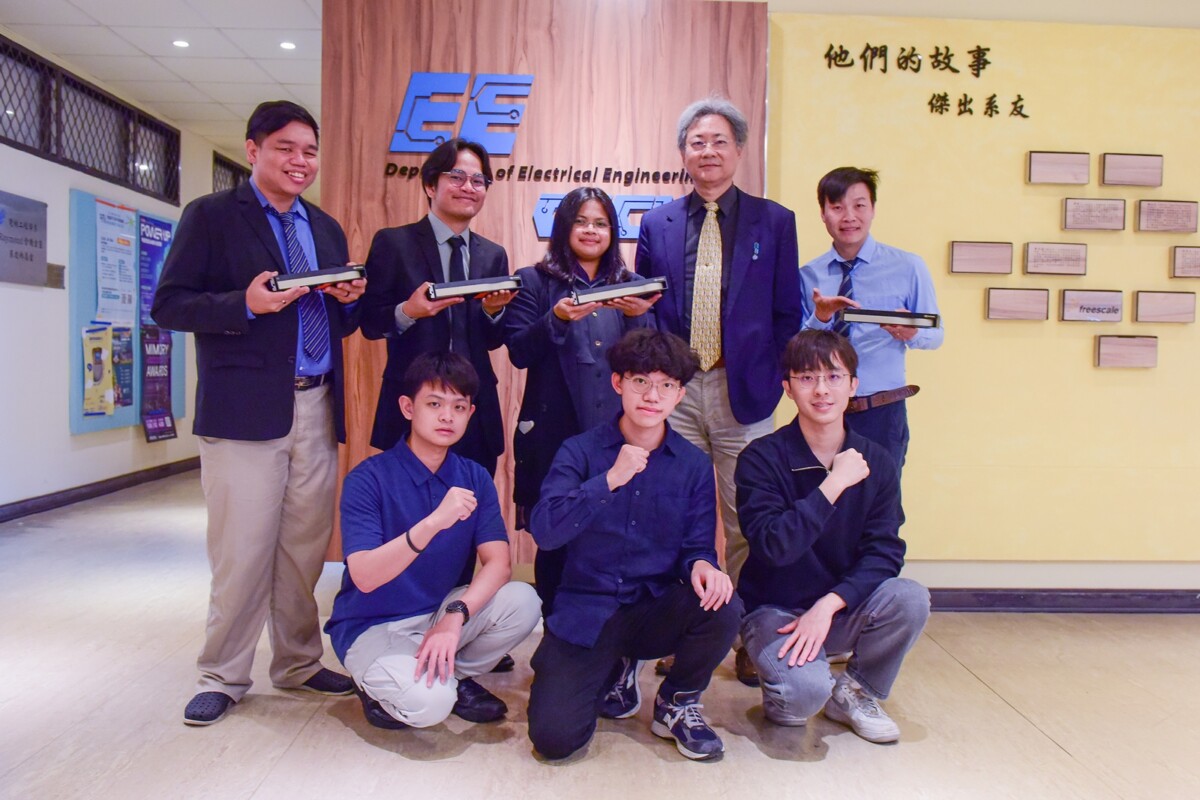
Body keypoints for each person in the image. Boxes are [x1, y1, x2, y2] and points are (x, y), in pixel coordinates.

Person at [152, 100, 366, 726]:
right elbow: (170, 304)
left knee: (304, 548)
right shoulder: (212, 216)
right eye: (285, 148)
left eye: (310, 150)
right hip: (243, 410)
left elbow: (336, 321)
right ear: (253, 150)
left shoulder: (325, 227)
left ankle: (297, 663)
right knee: (241, 550)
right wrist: (244, 304)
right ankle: (222, 673)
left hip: (317, 403)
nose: (300, 161)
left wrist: (349, 298)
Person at [635, 95, 801, 685]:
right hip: (676, 393)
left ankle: (750, 635)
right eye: (697, 142)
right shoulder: (656, 224)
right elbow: (645, 309)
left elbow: (787, 312)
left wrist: (774, 375)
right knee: (672, 517)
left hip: (743, 390)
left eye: (719, 141)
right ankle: (679, 633)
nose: (708, 151)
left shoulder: (774, 221)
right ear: (683, 152)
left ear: (739, 150)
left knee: (747, 521)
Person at [526, 329, 741, 762]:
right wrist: (609, 480)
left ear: (680, 394)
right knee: (554, 740)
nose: (652, 395)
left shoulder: (694, 465)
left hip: (652, 606)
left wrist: (703, 565)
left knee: (723, 603)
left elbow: (697, 546)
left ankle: (676, 702)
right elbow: (545, 531)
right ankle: (615, 667)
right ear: (618, 383)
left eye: (666, 385)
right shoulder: (579, 451)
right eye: (641, 381)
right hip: (587, 610)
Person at [325, 352, 541, 730]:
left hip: (438, 614)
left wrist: (454, 616)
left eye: (459, 407)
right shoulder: (368, 478)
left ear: (470, 414)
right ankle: (389, 684)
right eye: (435, 404)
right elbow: (365, 577)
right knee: (431, 705)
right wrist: (434, 522)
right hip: (373, 625)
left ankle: (449, 673)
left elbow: (499, 564)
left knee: (524, 601)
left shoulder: (474, 476)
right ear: (408, 408)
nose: (447, 417)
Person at [735, 330, 929, 743]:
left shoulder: (876, 460)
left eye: (834, 377)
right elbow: (774, 546)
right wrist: (833, 484)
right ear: (788, 388)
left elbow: (884, 552)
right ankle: (792, 682)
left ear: (853, 385)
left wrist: (829, 604)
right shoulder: (761, 458)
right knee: (800, 702)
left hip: (840, 609)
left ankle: (856, 691)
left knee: (910, 597)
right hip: (776, 612)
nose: (821, 390)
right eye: (807, 378)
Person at [504, 186, 657, 613]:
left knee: (618, 535)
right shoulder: (533, 281)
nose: (591, 231)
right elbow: (518, 351)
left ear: (613, 232)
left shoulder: (631, 287)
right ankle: (556, 628)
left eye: (601, 223)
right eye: (582, 221)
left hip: (619, 436)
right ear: (563, 227)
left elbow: (650, 363)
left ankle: (613, 630)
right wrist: (554, 318)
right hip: (555, 434)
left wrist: (637, 317)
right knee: (557, 534)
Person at [361, 137, 514, 475]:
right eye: (456, 177)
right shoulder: (394, 243)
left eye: (478, 180)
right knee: (407, 504)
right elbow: (369, 321)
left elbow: (492, 339)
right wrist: (409, 311)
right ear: (431, 185)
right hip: (410, 405)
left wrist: (493, 312)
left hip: (473, 409)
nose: (468, 187)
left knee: (471, 502)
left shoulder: (493, 255)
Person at [798, 167, 944, 473]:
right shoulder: (809, 275)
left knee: (881, 500)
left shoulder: (908, 267)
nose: (849, 217)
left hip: (881, 411)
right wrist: (821, 317)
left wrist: (911, 333)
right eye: (837, 207)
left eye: (859, 205)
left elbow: (936, 335)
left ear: (873, 209)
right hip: (822, 411)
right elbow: (797, 349)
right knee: (821, 498)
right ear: (823, 214)